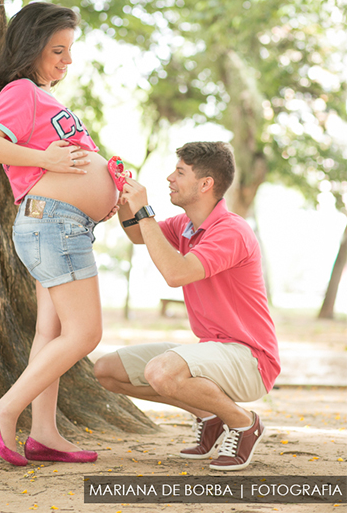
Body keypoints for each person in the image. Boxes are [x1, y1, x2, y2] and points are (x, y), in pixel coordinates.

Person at [0, 2, 120, 466]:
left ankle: (45, 433)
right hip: (53, 221)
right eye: (57, 50)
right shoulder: (22, 90)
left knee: (50, 330)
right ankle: (4, 411)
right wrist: (50, 162)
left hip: (63, 222)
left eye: (69, 50)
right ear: (31, 48)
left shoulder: (44, 97)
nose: (66, 61)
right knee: (86, 332)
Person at [93, 141, 281, 471]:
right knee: (107, 371)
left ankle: (243, 423)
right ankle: (210, 416)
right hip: (214, 351)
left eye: (180, 172)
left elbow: (176, 273)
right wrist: (124, 197)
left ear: (206, 184)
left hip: (250, 359)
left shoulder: (231, 231)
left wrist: (145, 209)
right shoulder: (185, 226)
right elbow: (139, 235)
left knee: (161, 371)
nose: (170, 178)